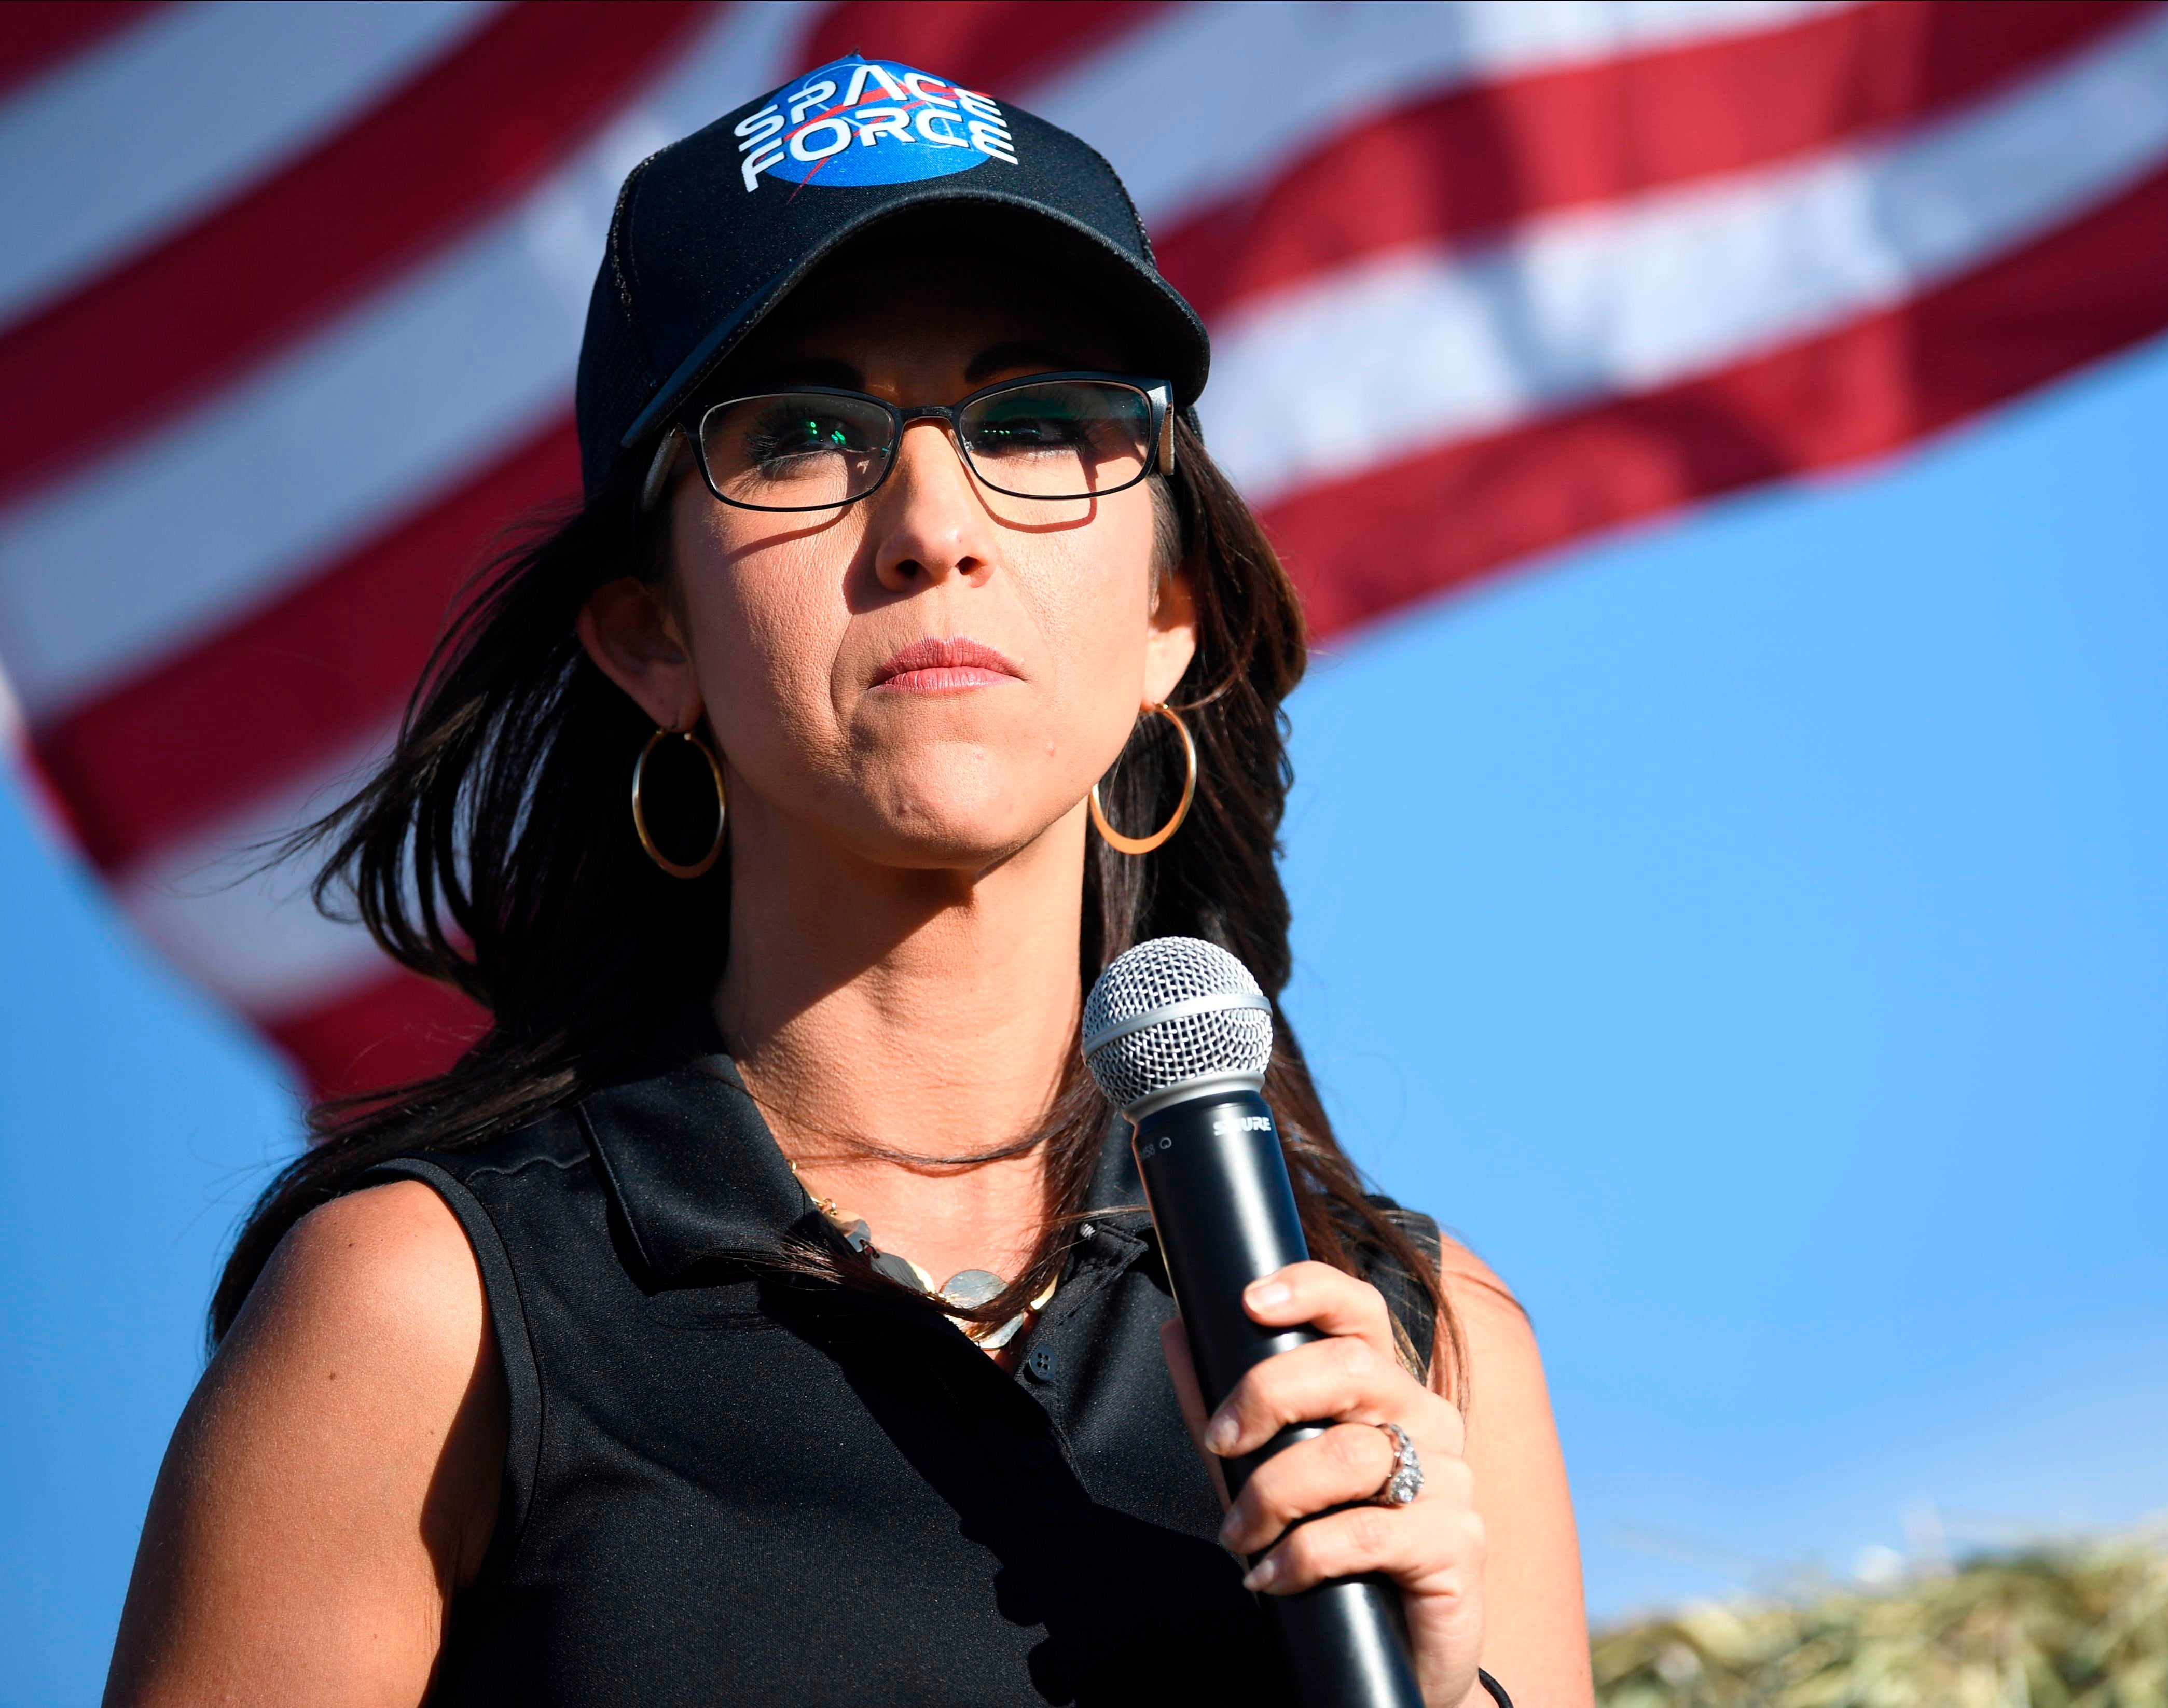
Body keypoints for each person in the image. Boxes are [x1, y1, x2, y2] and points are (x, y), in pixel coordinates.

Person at [104, 51, 1587, 1708]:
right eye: (803, 435)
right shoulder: (420, 1306)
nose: (932, 524)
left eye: (1040, 423)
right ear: (650, 637)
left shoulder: (1417, 1338)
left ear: (1171, 615)